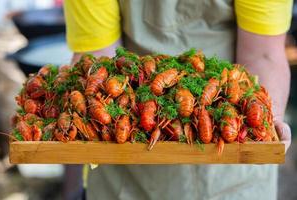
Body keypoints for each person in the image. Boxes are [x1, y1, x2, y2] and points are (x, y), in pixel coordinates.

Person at [63, 0, 292, 199]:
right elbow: (100, 58)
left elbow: (263, 54)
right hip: (126, 169)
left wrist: (270, 119)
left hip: (235, 171)